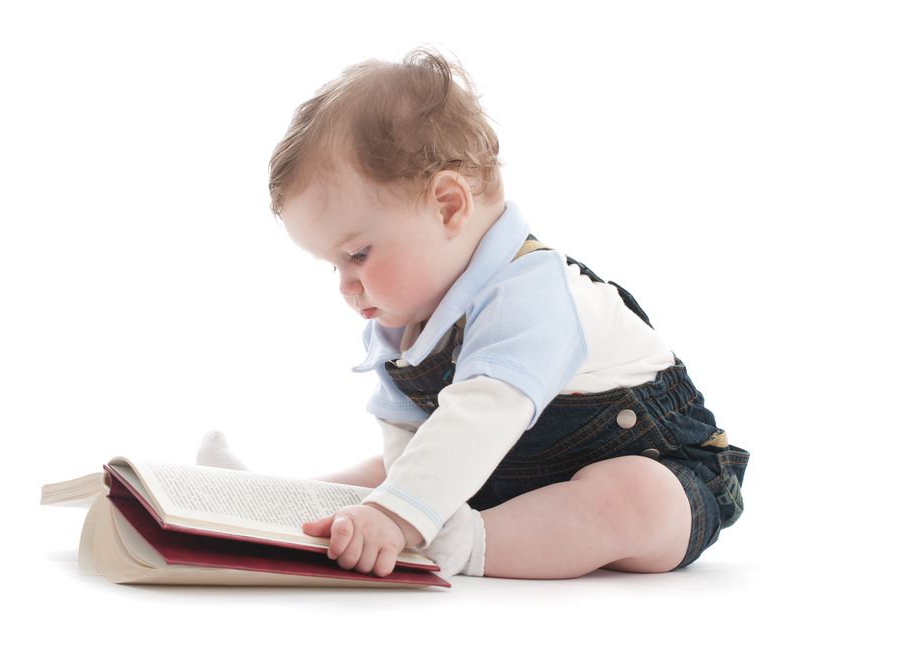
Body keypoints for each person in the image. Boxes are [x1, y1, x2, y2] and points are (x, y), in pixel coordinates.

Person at [199, 47, 750, 580]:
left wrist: (401, 517)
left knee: (632, 494)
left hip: (668, 468)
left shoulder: (533, 292)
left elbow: (483, 411)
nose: (347, 285)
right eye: (333, 266)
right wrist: (393, 505)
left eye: (358, 254)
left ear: (448, 206)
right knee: (397, 471)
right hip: (497, 467)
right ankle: (274, 508)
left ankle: (461, 543)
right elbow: (407, 436)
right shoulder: (400, 319)